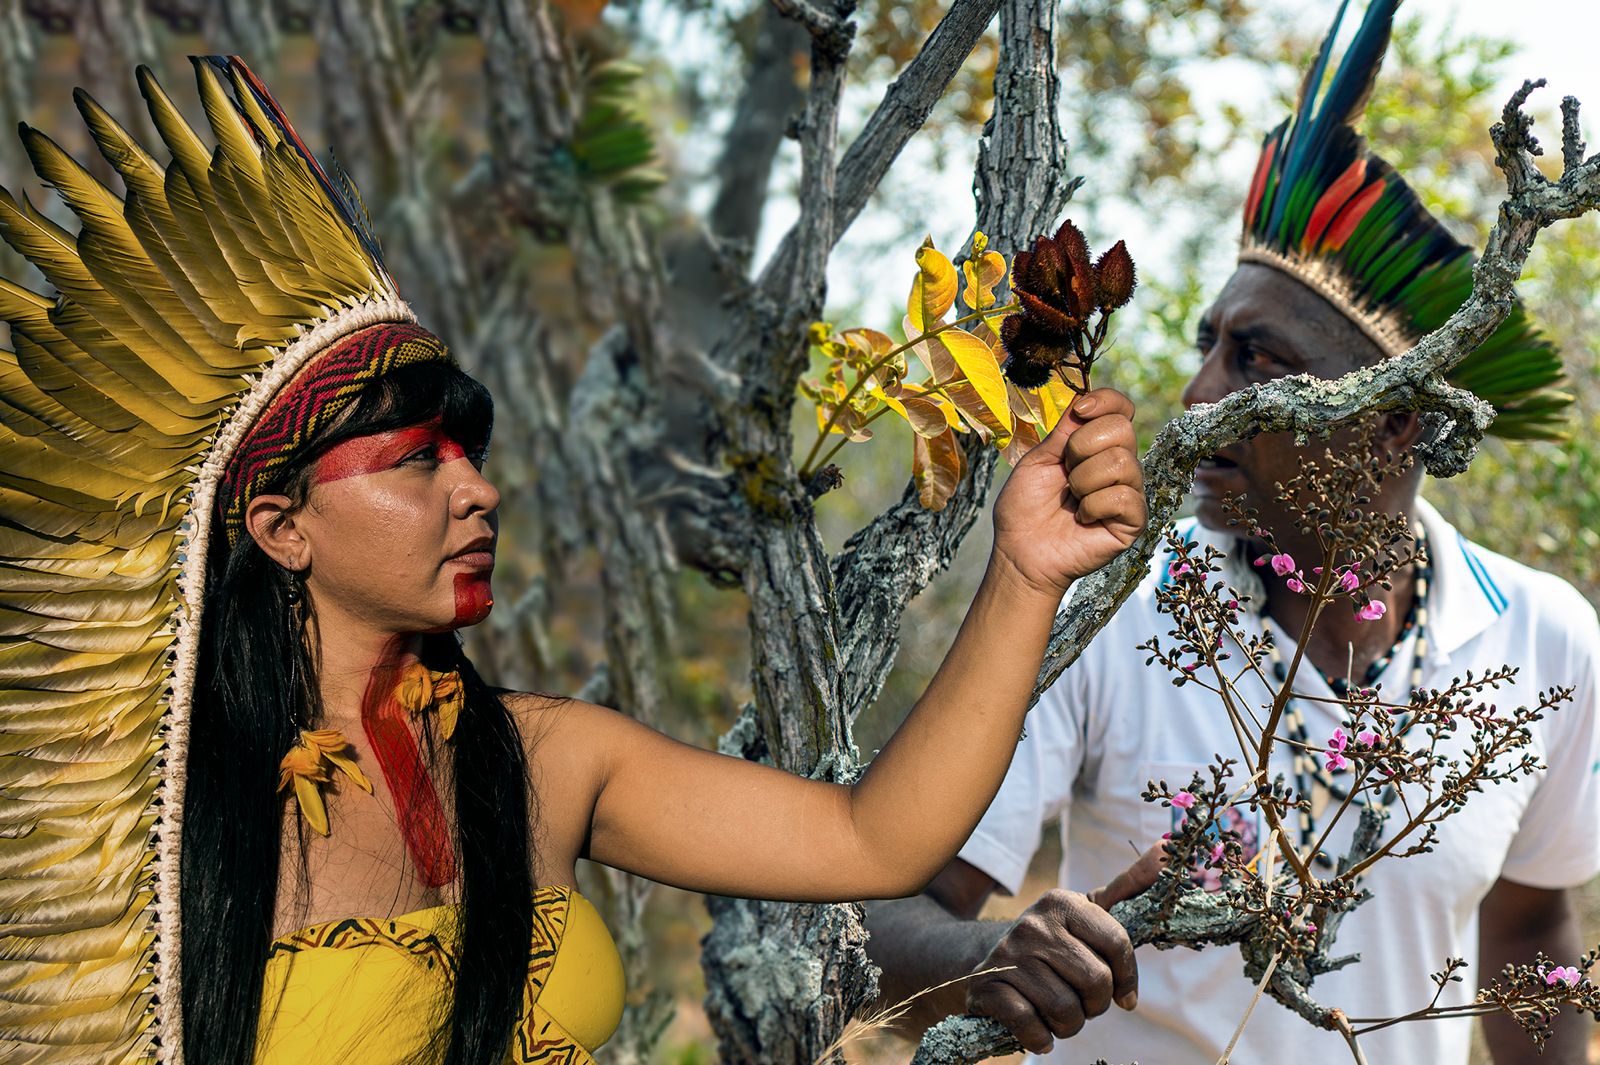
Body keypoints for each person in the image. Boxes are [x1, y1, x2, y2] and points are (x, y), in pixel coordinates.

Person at [0, 57, 1147, 1065]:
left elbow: (874, 837)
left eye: (472, 453)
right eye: (415, 463)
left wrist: (1026, 571)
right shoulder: (132, 832)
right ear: (279, 525)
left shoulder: (545, 759)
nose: (477, 489)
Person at [864, 2, 1600, 1063]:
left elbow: (1529, 930)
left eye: (1258, 361)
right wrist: (987, 958)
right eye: (1209, 345)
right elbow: (886, 904)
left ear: (1394, 417)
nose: (1196, 400)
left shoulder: (1543, 641)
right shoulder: (1107, 609)